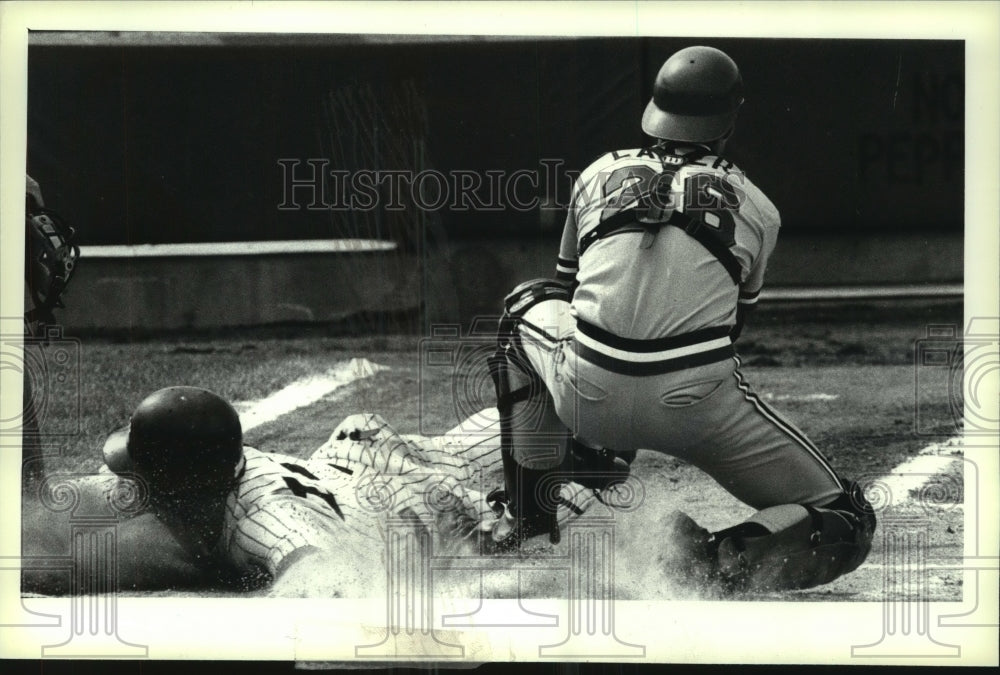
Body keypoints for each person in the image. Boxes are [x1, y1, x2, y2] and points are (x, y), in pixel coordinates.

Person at [486, 46, 877, 593]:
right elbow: (733, 325)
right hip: (700, 408)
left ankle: (530, 513)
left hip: (588, 395)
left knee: (528, 303)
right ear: (730, 118)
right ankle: (716, 560)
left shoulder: (598, 173)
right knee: (847, 516)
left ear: (655, 109)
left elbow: (572, 293)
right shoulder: (759, 207)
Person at [21, 386, 605, 596]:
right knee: (569, 414)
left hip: (432, 507)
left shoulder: (263, 520)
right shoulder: (220, 465)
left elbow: (326, 584)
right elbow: (51, 514)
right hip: (357, 456)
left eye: (139, 474)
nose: (128, 484)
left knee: (589, 456)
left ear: (176, 484)